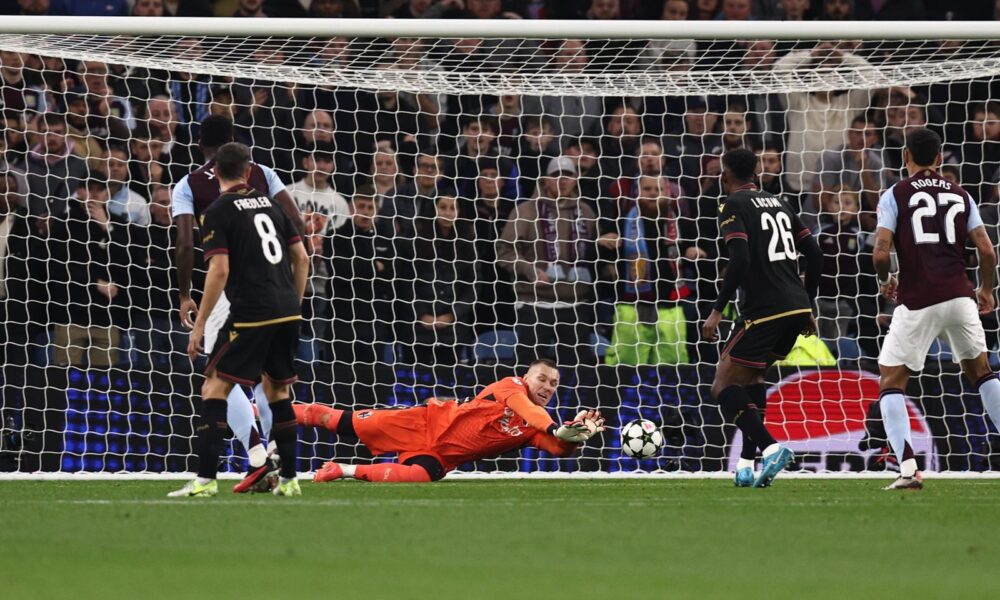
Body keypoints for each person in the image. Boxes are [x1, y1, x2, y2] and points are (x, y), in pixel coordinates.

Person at [171, 115, 303, 492]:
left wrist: (185, 295)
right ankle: (280, 460)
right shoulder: (262, 173)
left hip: (232, 291)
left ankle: (257, 454)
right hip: (279, 291)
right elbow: (293, 219)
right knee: (274, 383)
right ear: (237, 147)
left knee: (217, 379)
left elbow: (184, 243)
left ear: (200, 145)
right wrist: (293, 295)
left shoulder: (188, 184)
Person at [872, 128, 1000, 490]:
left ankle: (908, 469)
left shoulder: (896, 193)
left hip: (918, 298)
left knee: (891, 379)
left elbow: (880, 252)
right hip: (961, 296)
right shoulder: (961, 194)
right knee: (982, 373)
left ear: (905, 157)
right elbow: (987, 250)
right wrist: (987, 289)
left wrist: (885, 281)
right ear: (940, 158)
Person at [702, 149, 823, 488]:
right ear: (757, 172)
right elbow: (814, 254)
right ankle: (745, 463)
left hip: (763, 310)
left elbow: (738, 259)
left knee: (723, 386)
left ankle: (771, 448)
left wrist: (717, 310)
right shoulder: (779, 201)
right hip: (795, 309)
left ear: (725, 176)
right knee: (753, 380)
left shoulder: (732, 205)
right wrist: (808, 305)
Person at [294, 359, 604, 483]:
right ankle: (259, 412)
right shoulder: (511, 386)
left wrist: (575, 435)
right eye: (542, 379)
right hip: (422, 423)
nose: (548, 387)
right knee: (335, 421)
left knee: (423, 475)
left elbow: (557, 449)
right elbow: (532, 414)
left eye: (553, 384)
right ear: (526, 377)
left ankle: (342, 470)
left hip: (440, 455)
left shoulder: (532, 428)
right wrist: (555, 427)